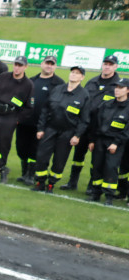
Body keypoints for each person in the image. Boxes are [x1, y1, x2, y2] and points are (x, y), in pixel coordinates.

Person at [63, 55, 120, 191]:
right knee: (78, 155)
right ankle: (72, 181)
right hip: (85, 125)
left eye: (110, 64)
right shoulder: (92, 81)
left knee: (97, 158)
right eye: (105, 63)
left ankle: (92, 185)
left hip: (102, 128)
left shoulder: (118, 85)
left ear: (116, 67)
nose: (107, 66)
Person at [33, 65, 90, 193]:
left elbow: (84, 119)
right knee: (41, 156)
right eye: (73, 72)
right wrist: (41, 128)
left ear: (82, 77)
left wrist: (77, 135)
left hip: (67, 133)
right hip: (50, 129)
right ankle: (40, 182)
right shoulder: (58, 89)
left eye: (77, 73)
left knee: (59, 161)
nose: (74, 75)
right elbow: (45, 109)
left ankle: (51, 184)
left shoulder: (84, 95)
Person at [0, 55, 33, 183]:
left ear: (25, 67)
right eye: (16, 64)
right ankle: (2, 168)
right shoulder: (4, 76)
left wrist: (17, 119)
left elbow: (29, 107)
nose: (17, 67)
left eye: (20, 65)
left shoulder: (29, 85)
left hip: (10, 117)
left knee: (3, 146)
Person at [15, 55, 63, 184]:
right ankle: (24, 172)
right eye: (47, 63)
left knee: (35, 150)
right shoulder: (32, 80)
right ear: (41, 64)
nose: (49, 66)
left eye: (52, 64)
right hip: (25, 121)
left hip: (42, 124)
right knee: (21, 148)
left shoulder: (59, 84)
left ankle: (31, 175)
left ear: (55, 66)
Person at [84, 78, 128, 206]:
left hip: (115, 143)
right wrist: (92, 140)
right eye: (116, 87)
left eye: (121, 88)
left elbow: (127, 130)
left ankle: (109, 195)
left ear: (127, 90)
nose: (117, 90)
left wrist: (116, 142)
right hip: (100, 140)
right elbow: (95, 123)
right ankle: (95, 193)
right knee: (96, 166)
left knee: (111, 167)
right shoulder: (106, 104)